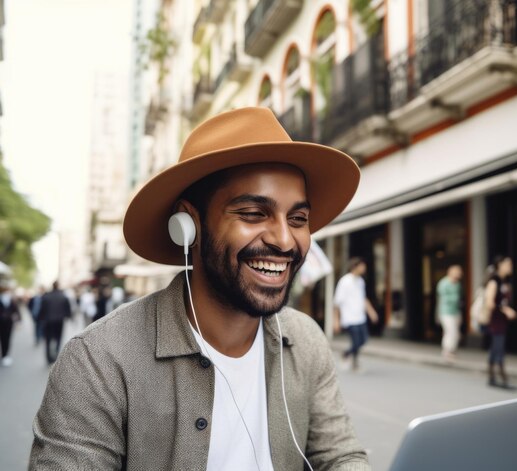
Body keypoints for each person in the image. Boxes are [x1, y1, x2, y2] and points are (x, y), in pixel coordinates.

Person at [30, 107, 369, 470]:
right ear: (188, 225)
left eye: (298, 219)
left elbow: (340, 456)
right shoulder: (99, 361)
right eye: (254, 213)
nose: (285, 241)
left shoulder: (306, 342)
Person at [333, 257, 379, 372]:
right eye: (362, 266)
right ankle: (354, 363)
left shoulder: (360, 281)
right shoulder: (345, 281)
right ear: (355, 267)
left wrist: (371, 312)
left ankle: (347, 354)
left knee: (363, 340)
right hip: (349, 317)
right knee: (356, 341)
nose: (364, 268)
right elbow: (337, 302)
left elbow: (363, 299)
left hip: (360, 317)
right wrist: (336, 320)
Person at [485, 256, 517, 389]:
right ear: (500, 265)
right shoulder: (494, 281)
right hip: (496, 320)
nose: (510, 266)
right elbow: (489, 303)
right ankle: (503, 378)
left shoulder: (504, 281)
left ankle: (492, 376)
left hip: (501, 320)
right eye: (508, 264)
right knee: (498, 348)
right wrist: (505, 310)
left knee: (495, 348)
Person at [39, 281, 72, 365]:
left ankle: (48, 357)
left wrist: (41, 319)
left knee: (48, 340)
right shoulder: (63, 296)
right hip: (59, 321)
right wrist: (68, 316)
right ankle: (56, 354)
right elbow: (68, 310)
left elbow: (42, 310)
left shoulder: (46, 296)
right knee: (58, 338)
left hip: (48, 321)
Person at [436, 264, 463, 360]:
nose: (459, 274)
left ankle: (452, 350)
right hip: (446, 311)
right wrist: (454, 299)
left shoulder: (457, 284)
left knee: (455, 332)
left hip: (455, 311)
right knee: (450, 331)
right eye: (457, 271)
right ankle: (447, 350)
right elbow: (444, 298)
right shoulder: (444, 283)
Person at [0, 277, 20, 367]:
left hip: (8, 323)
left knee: (6, 339)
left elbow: (16, 310)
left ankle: (5, 355)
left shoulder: (12, 299)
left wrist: (19, 320)